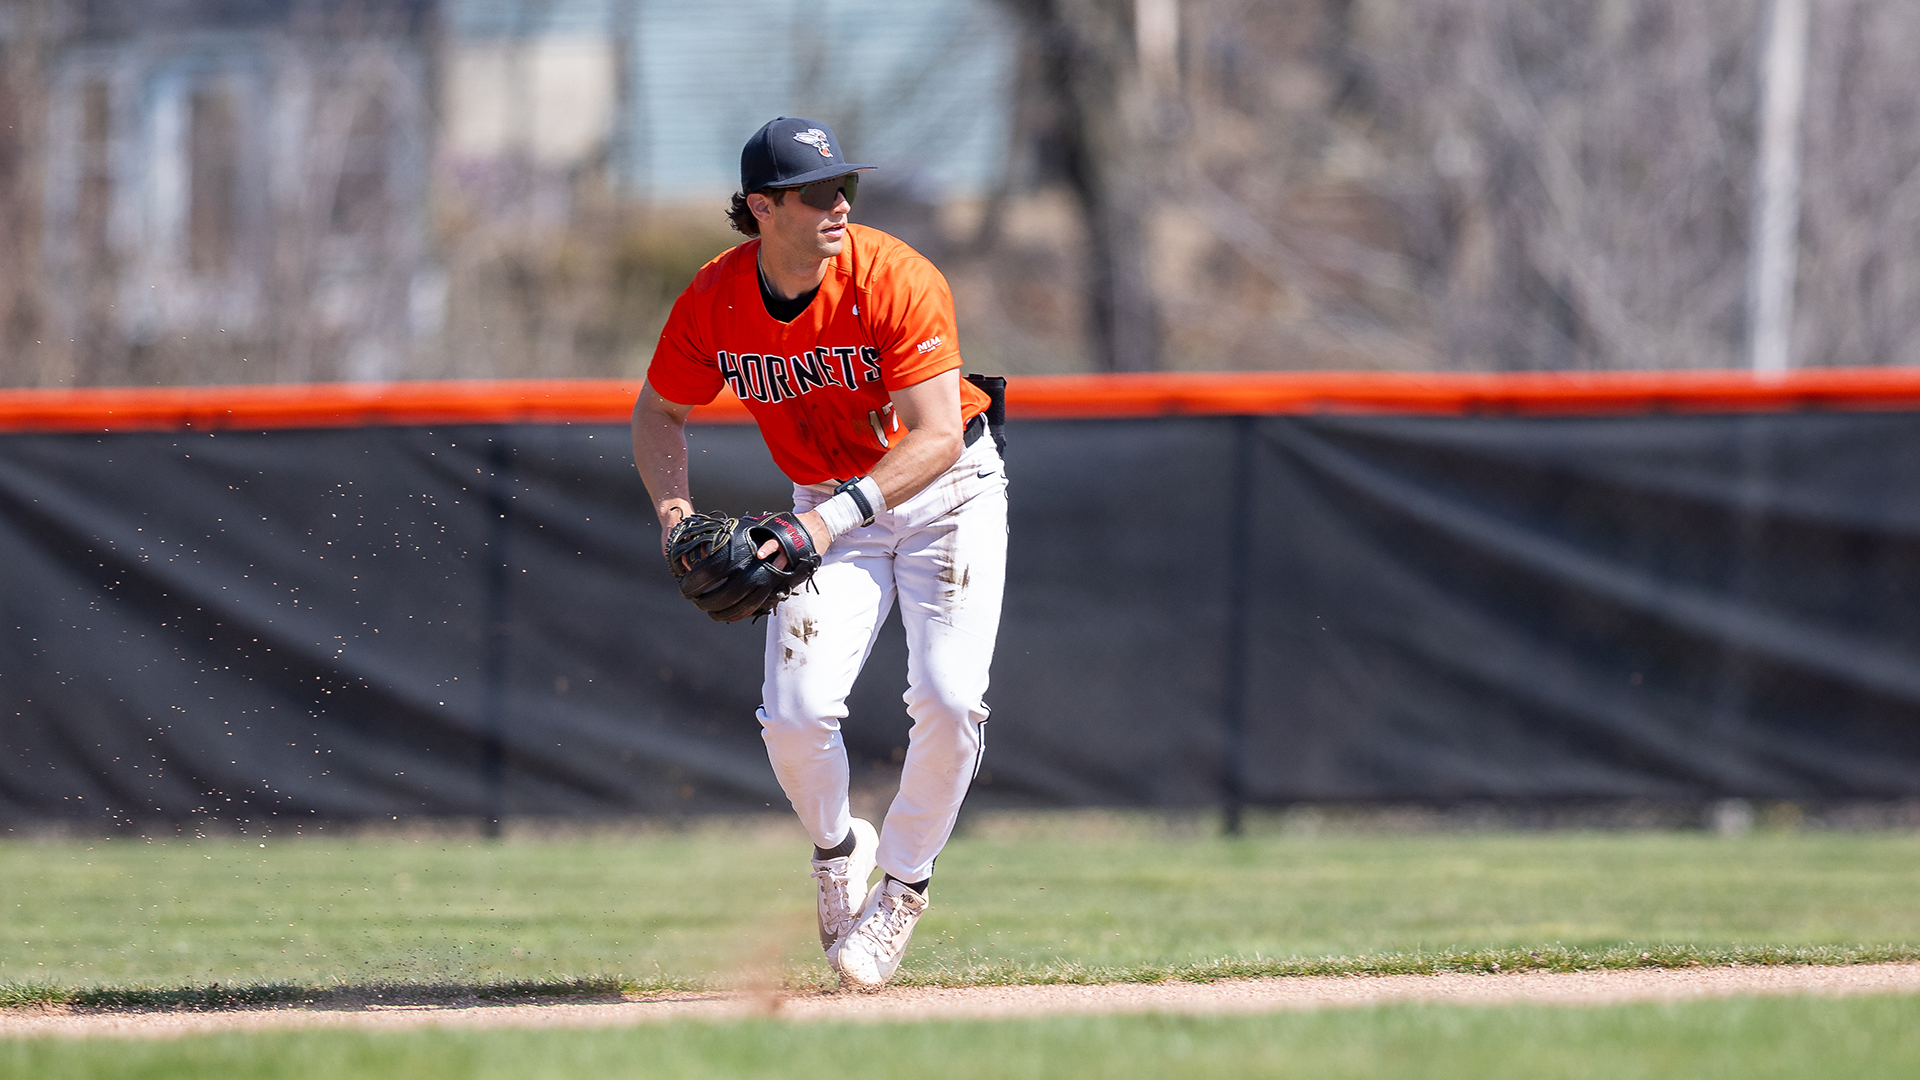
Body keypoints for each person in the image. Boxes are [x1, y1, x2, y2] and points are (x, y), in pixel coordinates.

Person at [630, 117, 1006, 989]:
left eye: (846, 187)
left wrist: (824, 526)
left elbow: (938, 435)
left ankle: (904, 887)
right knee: (795, 716)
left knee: (950, 700)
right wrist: (675, 517)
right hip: (823, 506)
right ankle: (838, 847)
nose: (839, 204)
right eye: (816, 192)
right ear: (762, 208)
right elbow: (658, 413)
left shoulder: (894, 277)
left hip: (946, 499)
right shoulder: (715, 300)